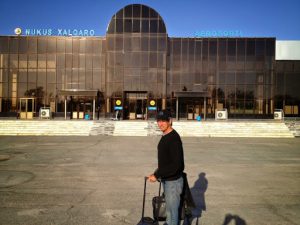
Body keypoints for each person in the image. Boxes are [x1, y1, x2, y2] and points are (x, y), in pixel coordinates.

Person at [148, 110, 185, 225]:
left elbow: (177, 165)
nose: (160, 123)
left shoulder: (174, 138)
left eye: (163, 121)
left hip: (173, 182)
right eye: (158, 121)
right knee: (169, 211)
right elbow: (166, 161)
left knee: (172, 213)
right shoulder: (166, 135)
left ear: (170, 121)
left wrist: (157, 175)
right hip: (167, 180)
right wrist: (157, 173)